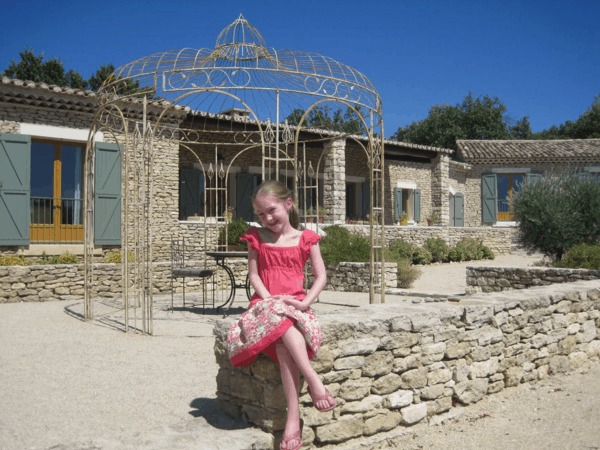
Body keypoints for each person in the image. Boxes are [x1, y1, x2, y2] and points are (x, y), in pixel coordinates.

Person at [227, 180, 336, 450]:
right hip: (265, 304)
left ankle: (292, 418)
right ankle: (312, 380)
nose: (267, 219)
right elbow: (254, 275)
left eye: (271, 211)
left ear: (288, 204)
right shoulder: (256, 236)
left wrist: (304, 303)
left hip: (296, 304)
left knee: (284, 339)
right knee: (279, 318)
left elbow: (321, 276)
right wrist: (269, 300)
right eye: (261, 214)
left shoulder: (306, 238)